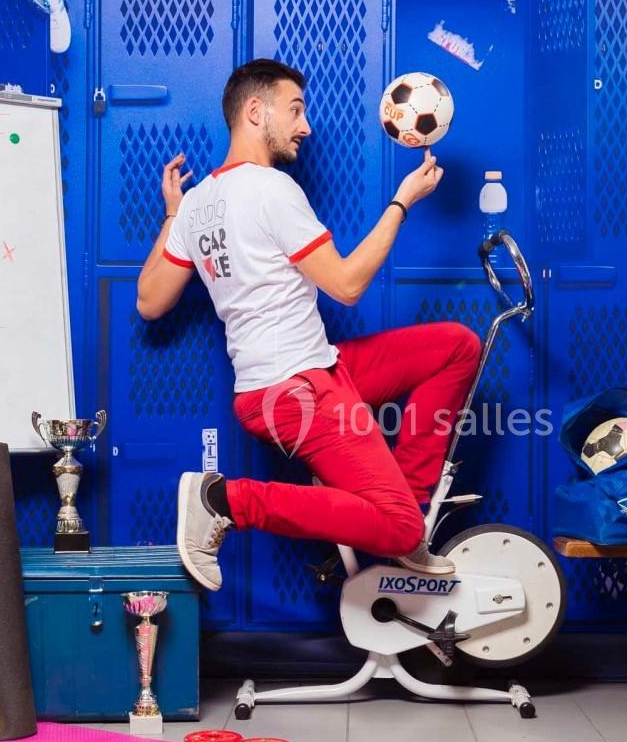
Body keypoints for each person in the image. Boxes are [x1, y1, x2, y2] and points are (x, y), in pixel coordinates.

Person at [136, 59, 481, 591]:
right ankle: (222, 500)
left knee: (455, 347)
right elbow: (344, 285)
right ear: (255, 110)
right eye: (294, 109)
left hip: (316, 369)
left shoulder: (198, 203)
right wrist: (401, 202)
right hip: (295, 392)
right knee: (396, 526)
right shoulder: (272, 189)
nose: (306, 126)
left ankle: (406, 506)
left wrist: (172, 215)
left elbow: (149, 300)